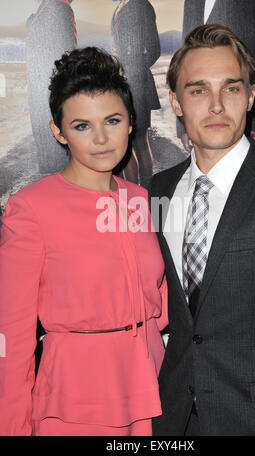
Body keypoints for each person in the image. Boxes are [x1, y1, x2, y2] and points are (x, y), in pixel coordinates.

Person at [0, 47, 167, 436]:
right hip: (77, 398)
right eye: (81, 126)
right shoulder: (31, 208)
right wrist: (12, 427)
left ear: (130, 123)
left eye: (112, 120)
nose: (101, 138)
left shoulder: (145, 200)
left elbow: (161, 300)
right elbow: (12, 333)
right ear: (58, 131)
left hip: (154, 386)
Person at [149, 24, 255, 436]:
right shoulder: (157, 191)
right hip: (176, 418)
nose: (216, 105)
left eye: (230, 89)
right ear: (176, 102)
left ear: (251, 97)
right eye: (198, 90)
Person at [177, 0, 255, 152]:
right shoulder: (192, 2)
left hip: (248, 123)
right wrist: (183, 123)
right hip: (200, 125)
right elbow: (183, 68)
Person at [111, 0, 161, 187]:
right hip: (121, 84)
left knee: (138, 141)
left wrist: (133, 69)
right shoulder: (119, 6)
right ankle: (133, 196)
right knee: (124, 142)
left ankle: (144, 194)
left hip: (137, 84)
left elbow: (154, 49)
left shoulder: (142, 5)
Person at [26, 0, 77, 174]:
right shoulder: (49, 7)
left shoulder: (58, 8)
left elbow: (67, 57)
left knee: (57, 159)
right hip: (43, 95)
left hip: (51, 96)